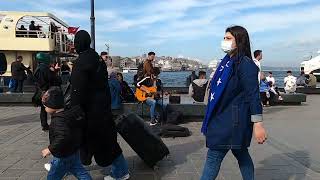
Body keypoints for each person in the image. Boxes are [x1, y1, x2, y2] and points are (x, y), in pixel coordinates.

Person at [201, 26, 267, 180]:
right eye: (224, 38)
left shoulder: (245, 64)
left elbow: (253, 95)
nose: (224, 41)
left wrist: (258, 124)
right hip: (222, 117)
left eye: (228, 38)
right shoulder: (227, 63)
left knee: (213, 157)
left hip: (233, 121)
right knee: (241, 153)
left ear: (240, 41)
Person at [71, 30, 129, 180]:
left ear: (78, 44)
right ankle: (121, 171)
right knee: (109, 142)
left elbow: (77, 90)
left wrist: (74, 110)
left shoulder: (80, 62)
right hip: (102, 108)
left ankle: (61, 165)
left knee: (75, 139)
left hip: (88, 111)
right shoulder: (98, 59)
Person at [40, 87, 92, 180]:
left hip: (62, 155)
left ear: (53, 107)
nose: (45, 109)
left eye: (46, 107)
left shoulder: (58, 120)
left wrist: (50, 149)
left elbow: (62, 136)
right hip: (73, 151)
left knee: (53, 176)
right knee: (79, 171)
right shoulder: (68, 114)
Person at [34, 52, 62, 131]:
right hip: (48, 91)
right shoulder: (45, 68)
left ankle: (44, 125)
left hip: (42, 91)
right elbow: (54, 79)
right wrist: (55, 71)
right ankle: (54, 125)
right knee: (54, 108)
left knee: (43, 110)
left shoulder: (38, 68)